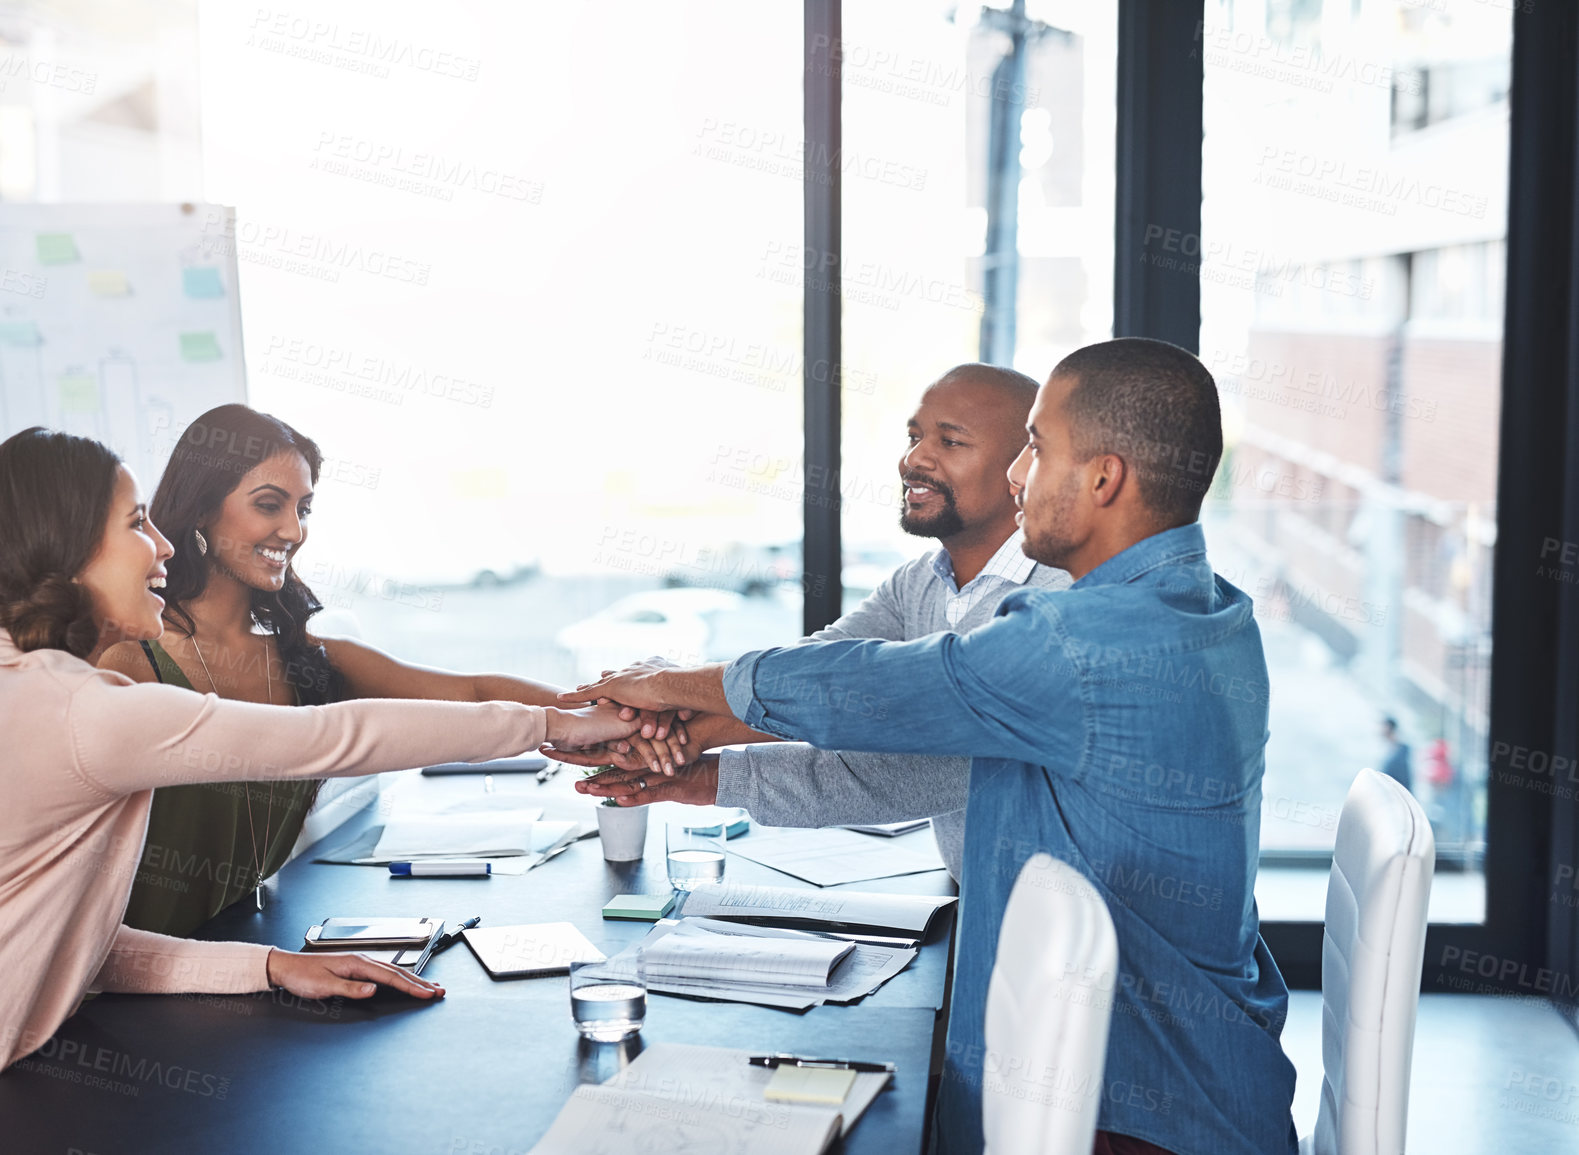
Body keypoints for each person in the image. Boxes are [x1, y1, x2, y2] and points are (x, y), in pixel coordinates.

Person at [562, 338, 1300, 1155]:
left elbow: (886, 688)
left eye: (1038, 447)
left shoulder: (1078, 639)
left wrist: (669, 688)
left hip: (1134, 1110)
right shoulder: (1203, 605)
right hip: (1172, 1080)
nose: (1021, 475)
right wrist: (690, 754)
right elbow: (854, 680)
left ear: (1103, 478)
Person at [0, 428, 635, 1154]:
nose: (160, 545)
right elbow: (333, 740)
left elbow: (65, 944)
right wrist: (552, 725)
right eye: (134, 524)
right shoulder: (80, 712)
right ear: (69, 549)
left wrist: (263, 965)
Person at [559, 364, 1070, 882]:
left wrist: (688, 738)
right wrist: (681, 737)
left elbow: (944, 766)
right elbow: (816, 681)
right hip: (980, 895)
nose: (915, 460)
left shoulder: (1060, 595)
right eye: (915, 436)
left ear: (1025, 465)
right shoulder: (919, 581)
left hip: (1063, 927)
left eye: (951, 441)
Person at [98, 405, 571, 935]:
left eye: (303, 508)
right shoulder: (130, 662)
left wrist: (612, 717)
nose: (292, 530)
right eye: (269, 505)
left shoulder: (306, 654)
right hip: (126, 982)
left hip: (252, 950)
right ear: (204, 508)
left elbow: (472, 691)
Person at [1380, 715, 1412, 792]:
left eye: (1383, 726)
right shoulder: (1389, 748)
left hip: (1397, 796)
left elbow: (1403, 778)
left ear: (1388, 727)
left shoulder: (1401, 750)